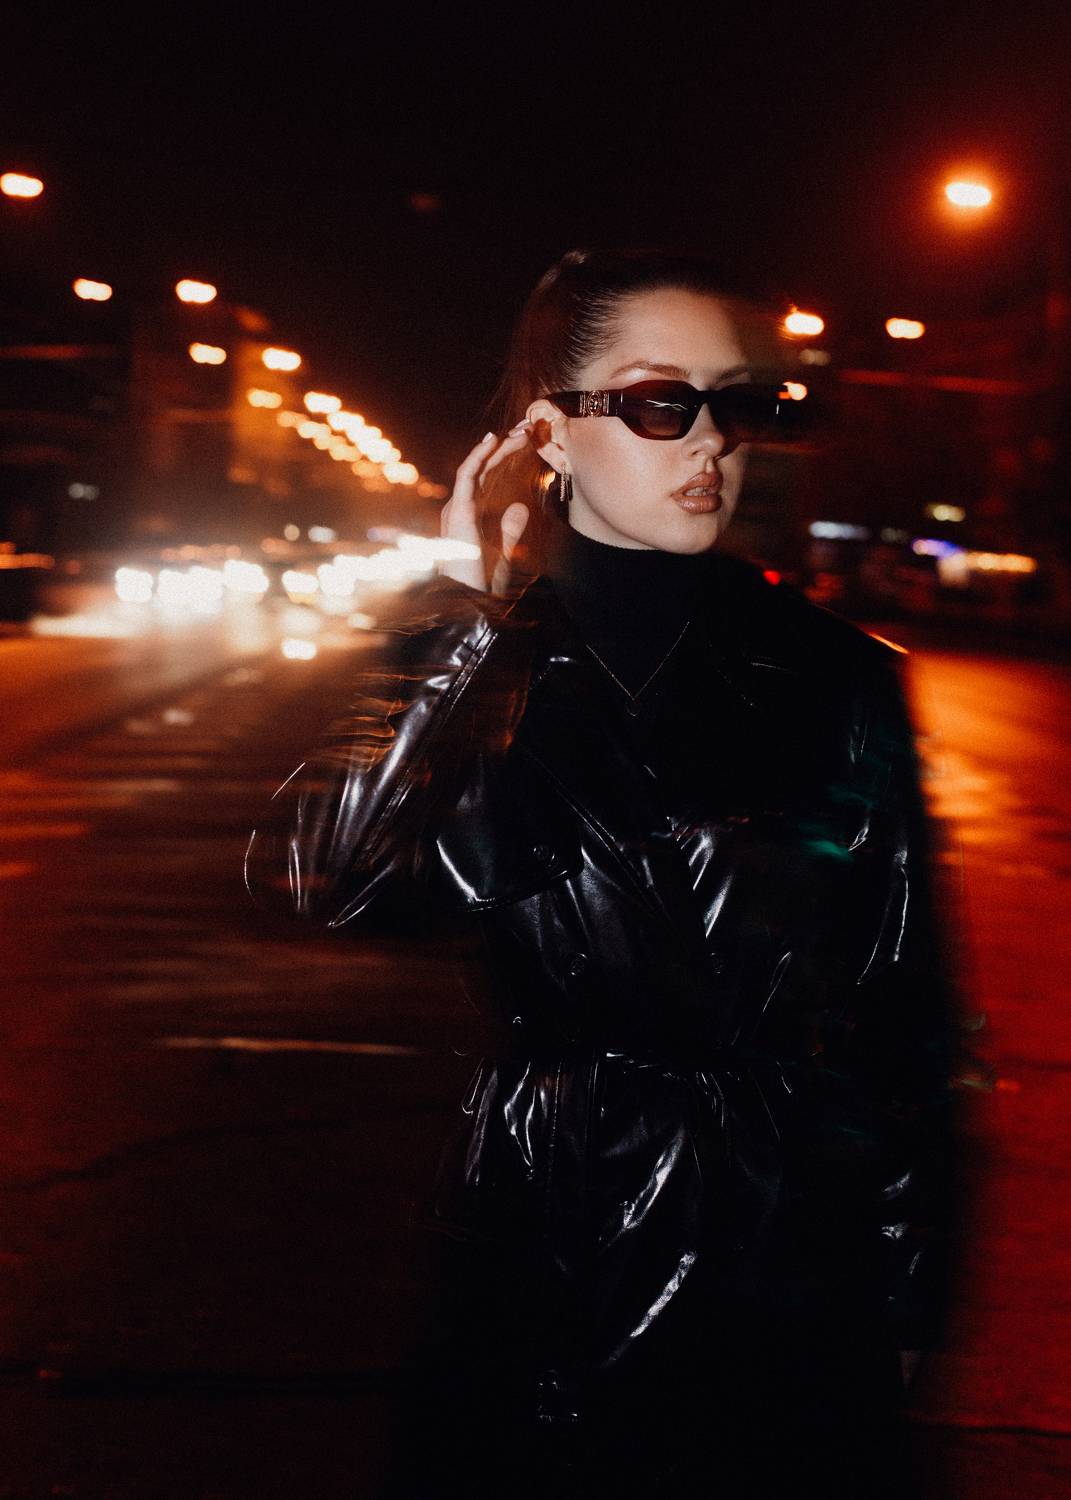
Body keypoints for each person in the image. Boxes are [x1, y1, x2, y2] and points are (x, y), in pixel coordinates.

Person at [245, 249, 955, 1498]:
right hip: (545, 1225)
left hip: (788, 1245)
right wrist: (448, 617)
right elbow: (335, 875)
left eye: (735, 404)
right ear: (550, 434)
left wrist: (905, 1289)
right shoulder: (487, 666)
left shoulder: (836, 676)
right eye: (659, 402)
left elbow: (903, 1008)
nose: (711, 441)